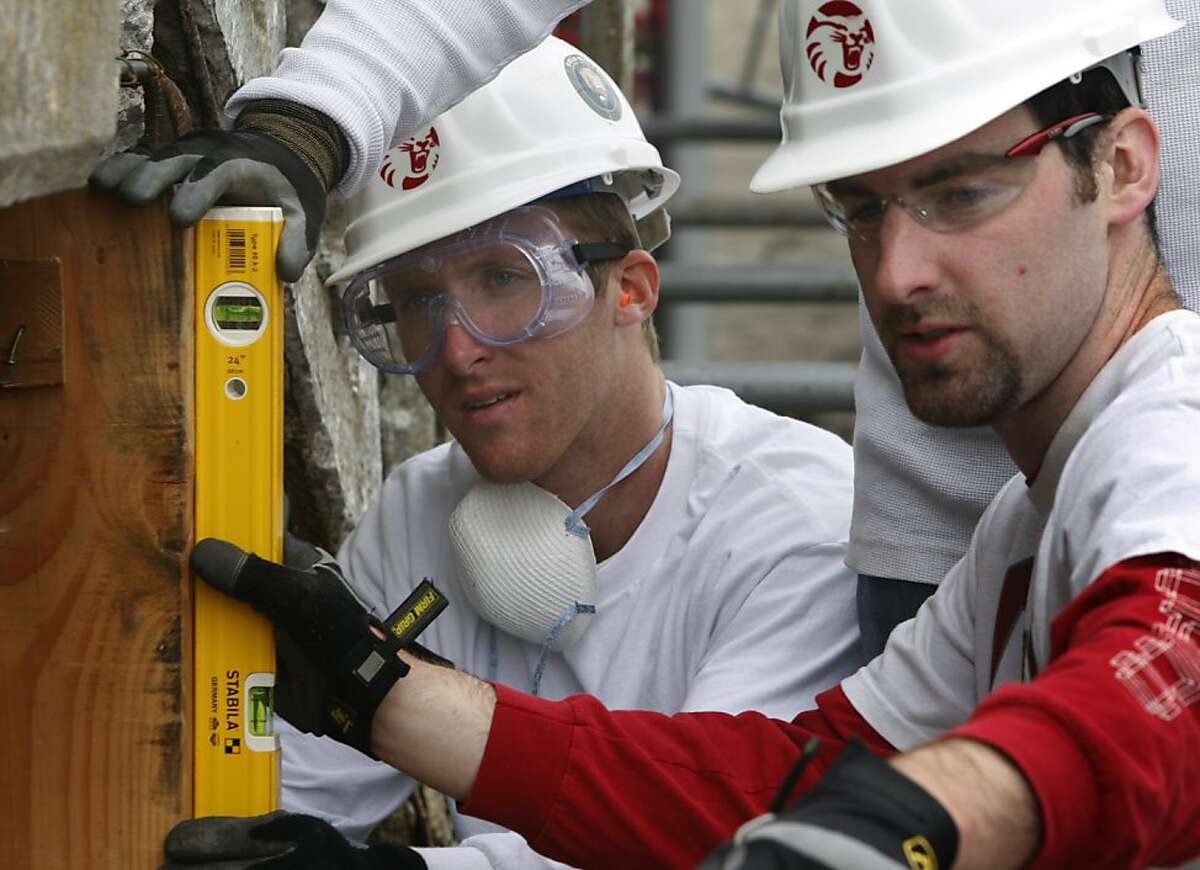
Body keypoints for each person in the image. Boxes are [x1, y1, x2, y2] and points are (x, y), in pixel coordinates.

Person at [179, 2, 1200, 868]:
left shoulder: (1165, 432)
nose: (896, 276)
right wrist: (383, 698)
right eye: (858, 207)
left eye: (963, 192)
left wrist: (930, 813)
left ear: (1119, 166)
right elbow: (783, 782)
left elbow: (1172, 672)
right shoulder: (1023, 521)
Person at [163, 35, 862, 870]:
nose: (456, 351)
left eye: (505, 277)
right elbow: (289, 802)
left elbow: (717, 834)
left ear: (631, 288)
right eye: (417, 299)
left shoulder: (801, 525)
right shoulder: (421, 511)